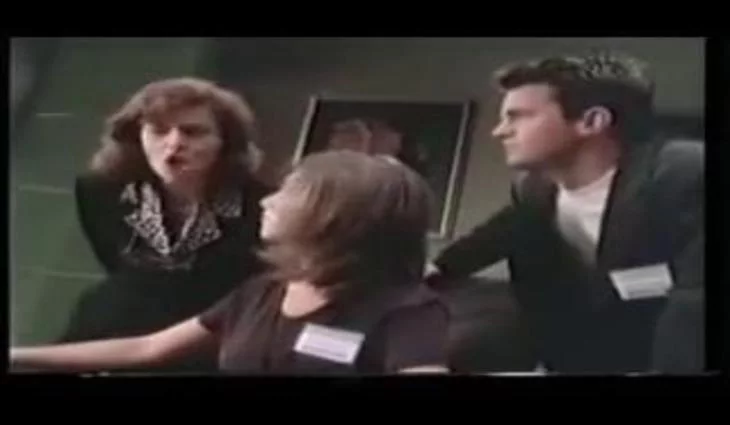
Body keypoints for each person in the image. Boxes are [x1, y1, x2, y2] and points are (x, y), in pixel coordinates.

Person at [10, 151, 450, 375]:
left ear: (337, 215)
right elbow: (146, 349)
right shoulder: (261, 291)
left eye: (290, 192)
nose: (269, 202)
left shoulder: (407, 310)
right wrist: (18, 356)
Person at [426, 51, 704, 374]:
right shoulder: (532, 188)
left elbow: (694, 301)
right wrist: (435, 269)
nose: (499, 131)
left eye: (518, 116)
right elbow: (501, 231)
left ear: (592, 121)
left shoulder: (685, 173)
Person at [54, 77, 271, 373]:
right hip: (111, 326)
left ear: (226, 142)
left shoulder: (263, 205)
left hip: (208, 342)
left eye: (193, 132)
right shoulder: (100, 191)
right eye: (158, 131)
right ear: (136, 137)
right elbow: (116, 264)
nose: (174, 143)